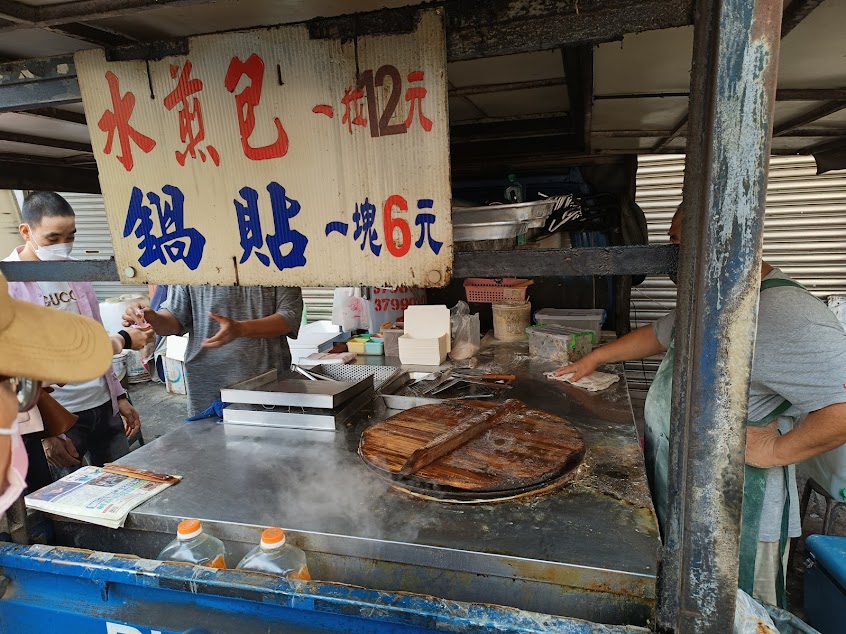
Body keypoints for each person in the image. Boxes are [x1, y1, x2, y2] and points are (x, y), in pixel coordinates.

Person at [556, 207, 846, 606]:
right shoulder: (716, 298)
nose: (673, 254)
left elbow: (842, 409)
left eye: (680, 242)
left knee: (739, 611)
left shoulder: (787, 314)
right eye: (673, 241)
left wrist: (777, 448)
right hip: (689, 489)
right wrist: (596, 358)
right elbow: (660, 334)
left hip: (736, 510)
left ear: (728, 239)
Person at [4, 192, 143, 485]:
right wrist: (45, 434)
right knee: (70, 501)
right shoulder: (9, 283)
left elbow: (93, 331)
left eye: (70, 236)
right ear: (27, 231)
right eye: (53, 237)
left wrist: (119, 396)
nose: (62, 246)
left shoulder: (76, 269)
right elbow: (17, 371)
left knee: (123, 485)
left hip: (102, 402)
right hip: (60, 415)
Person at [0, 270, 114, 514]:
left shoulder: (74, 270)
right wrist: (120, 341)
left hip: (30, 434)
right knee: (56, 507)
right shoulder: (13, 280)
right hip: (25, 437)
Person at [124, 285, 303, 417]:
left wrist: (241, 328)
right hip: (206, 386)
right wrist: (153, 318)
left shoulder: (274, 256)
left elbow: (289, 318)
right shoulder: (192, 261)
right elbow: (174, 320)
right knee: (210, 457)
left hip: (265, 382)